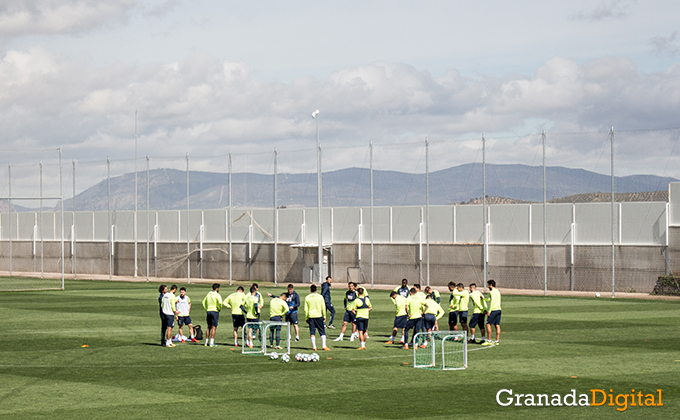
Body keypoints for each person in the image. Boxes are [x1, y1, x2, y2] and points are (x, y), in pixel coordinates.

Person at [304, 284, 330, 351]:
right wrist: (324, 316)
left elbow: (305, 309)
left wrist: (306, 317)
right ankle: (324, 346)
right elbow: (323, 307)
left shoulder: (307, 297)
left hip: (311, 316)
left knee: (312, 331)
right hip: (318, 315)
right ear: (316, 289)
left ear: (310, 289)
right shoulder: (320, 297)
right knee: (322, 331)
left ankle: (314, 346)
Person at [202, 283, 222, 347]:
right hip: (214, 311)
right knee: (214, 327)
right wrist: (219, 308)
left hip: (209, 311)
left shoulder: (208, 294)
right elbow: (220, 303)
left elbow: (203, 302)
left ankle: (206, 342)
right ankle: (211, 342)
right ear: (217, 288)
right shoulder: (217, 295)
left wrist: (206, 308)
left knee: (208, 327)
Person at [483, 279, 502, 346]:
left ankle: (489, 340)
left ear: (490, 285)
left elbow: (492, 302)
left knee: (488, 324)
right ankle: (497, 341)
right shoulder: (497, 291)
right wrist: (484, 299)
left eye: (488, 285)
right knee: (497, 325)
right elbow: (491, 300)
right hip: (499, 309)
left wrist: (489, 311)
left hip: (494, 310)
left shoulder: (492, 292)